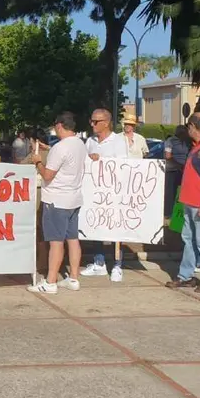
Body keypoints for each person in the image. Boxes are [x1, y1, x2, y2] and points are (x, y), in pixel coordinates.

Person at [29, 112, 86, 294]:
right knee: (73, 239)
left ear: (60, 125)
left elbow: (47, 175)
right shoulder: (79, 144)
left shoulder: (60, 148)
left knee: (55, 242)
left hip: (56, 199)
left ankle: (51, 281)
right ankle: (74, 278)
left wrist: (38, 162)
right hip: (74, 197)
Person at [165, 114, 200, 293]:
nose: (187, 130)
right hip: (190, 203)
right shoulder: (199, 145)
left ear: (193, 126)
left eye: (188, 127)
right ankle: (185, 275)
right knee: (188, 239)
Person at [81, 108, 130, 282]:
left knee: (116, 230)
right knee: (96, 226)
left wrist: (101, 160)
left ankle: (117, 264)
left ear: (106, 122)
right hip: (95, 193)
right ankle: (99, 262)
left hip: (114, 193)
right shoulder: (90, 141)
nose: (92, 124)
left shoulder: (118, 141)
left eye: (96, 121)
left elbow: (123, 166)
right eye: (91, 121)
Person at [163, 125, 191, 225]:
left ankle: (180, 214)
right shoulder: (170, 140)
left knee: (183, 193)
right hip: (172, 170)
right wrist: (179, 165)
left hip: (185, 170)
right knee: (170, 193)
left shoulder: (189, 141)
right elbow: (167, 155)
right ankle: (168, 214)